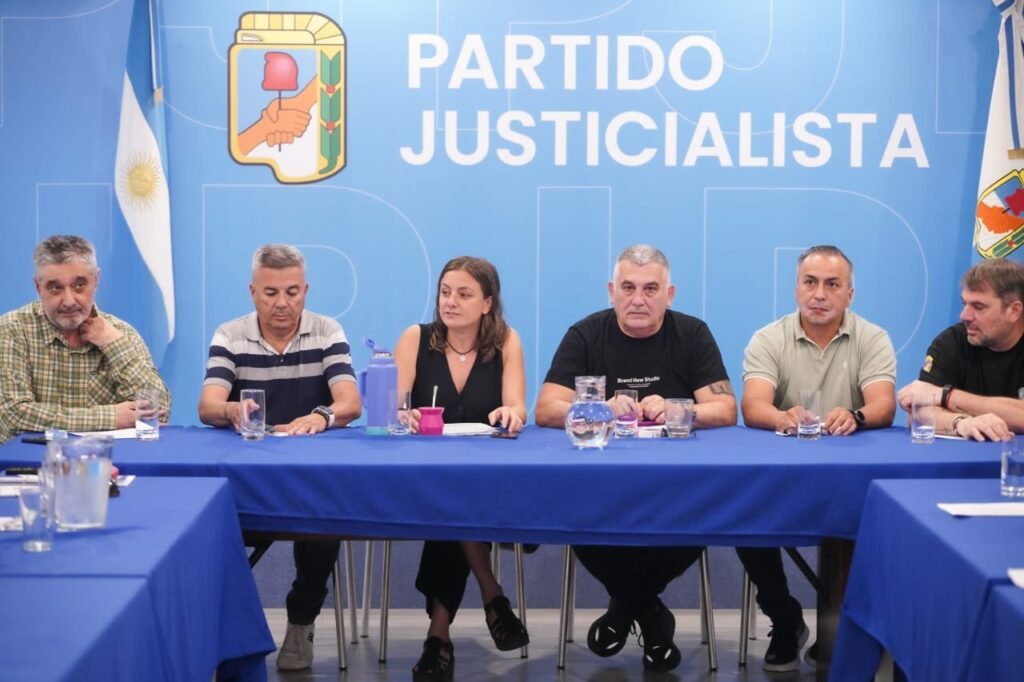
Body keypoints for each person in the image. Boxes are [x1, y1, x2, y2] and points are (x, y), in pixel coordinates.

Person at [534, 244, 736, 673]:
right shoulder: (585, 334)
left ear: (670, 294)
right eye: (628, 288)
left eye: (650, 289)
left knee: (705, 512)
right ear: (612, 291)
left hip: (677, 485)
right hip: (599, 484)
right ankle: (650, 615)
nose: (638, 299)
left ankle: (627, 607)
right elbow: (546, 409)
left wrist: (681, 409)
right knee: (576, 514)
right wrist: (598, 408)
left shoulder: (692, 333)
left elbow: (725, 409)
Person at [197, 244, 361, 671]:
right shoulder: (230, 334)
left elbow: (349, 402)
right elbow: (208, 406)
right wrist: (232, 409)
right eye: (271, 293)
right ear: (253, 292)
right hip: (249, 476)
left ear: (305, 290)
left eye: (292, 291)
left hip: (311, 476)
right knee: (210, 528)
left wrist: (320, 417)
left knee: (325, 522)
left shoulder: (327, 331)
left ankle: (301, 621)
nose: (282, 303)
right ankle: (231, 633)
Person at [740, 245, 896, 671]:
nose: (819, 294)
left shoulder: (873, 337)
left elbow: (883, 405)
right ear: (796, 289)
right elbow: (753, 406)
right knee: (743, 513)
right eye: (810, 283)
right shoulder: (768, 338)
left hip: (853, 477)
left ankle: (849, 636)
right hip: (784, 475)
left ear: (849, 294)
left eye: (832, 284)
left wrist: (856, 416)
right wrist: (780, 417)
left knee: (883, 520)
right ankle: (783, 618)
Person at [393, 256, 529, 681]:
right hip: (423, 474)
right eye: (445, 292)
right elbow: (393, 407)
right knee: (451, 500)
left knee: (456, 503)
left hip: (486, 475)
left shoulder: (506, 341)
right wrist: (405, 415)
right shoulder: (416, 339)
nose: (450, 302)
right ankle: (492, 594)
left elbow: (517, 406)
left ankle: (439, 637)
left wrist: (511, 414)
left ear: (487, 303)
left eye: (464, 294)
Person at [0, 235, 170, 443]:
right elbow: (13, 414)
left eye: (79, 285)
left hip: (107, 459)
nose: (69, 301)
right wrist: (111, 417)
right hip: (29, 460)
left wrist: (114, 346)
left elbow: (159, 411)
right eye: (55, 288)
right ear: (38, 286)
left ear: (96, 280)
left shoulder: (120, 333)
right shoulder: (12, 330)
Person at [897, 258, 1024, 441]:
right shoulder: (951, 342)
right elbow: (918, 414)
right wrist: (960, 422)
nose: (964, 316)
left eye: (978, 307)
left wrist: (948, 397)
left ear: (1014, 311)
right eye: (965, 304)